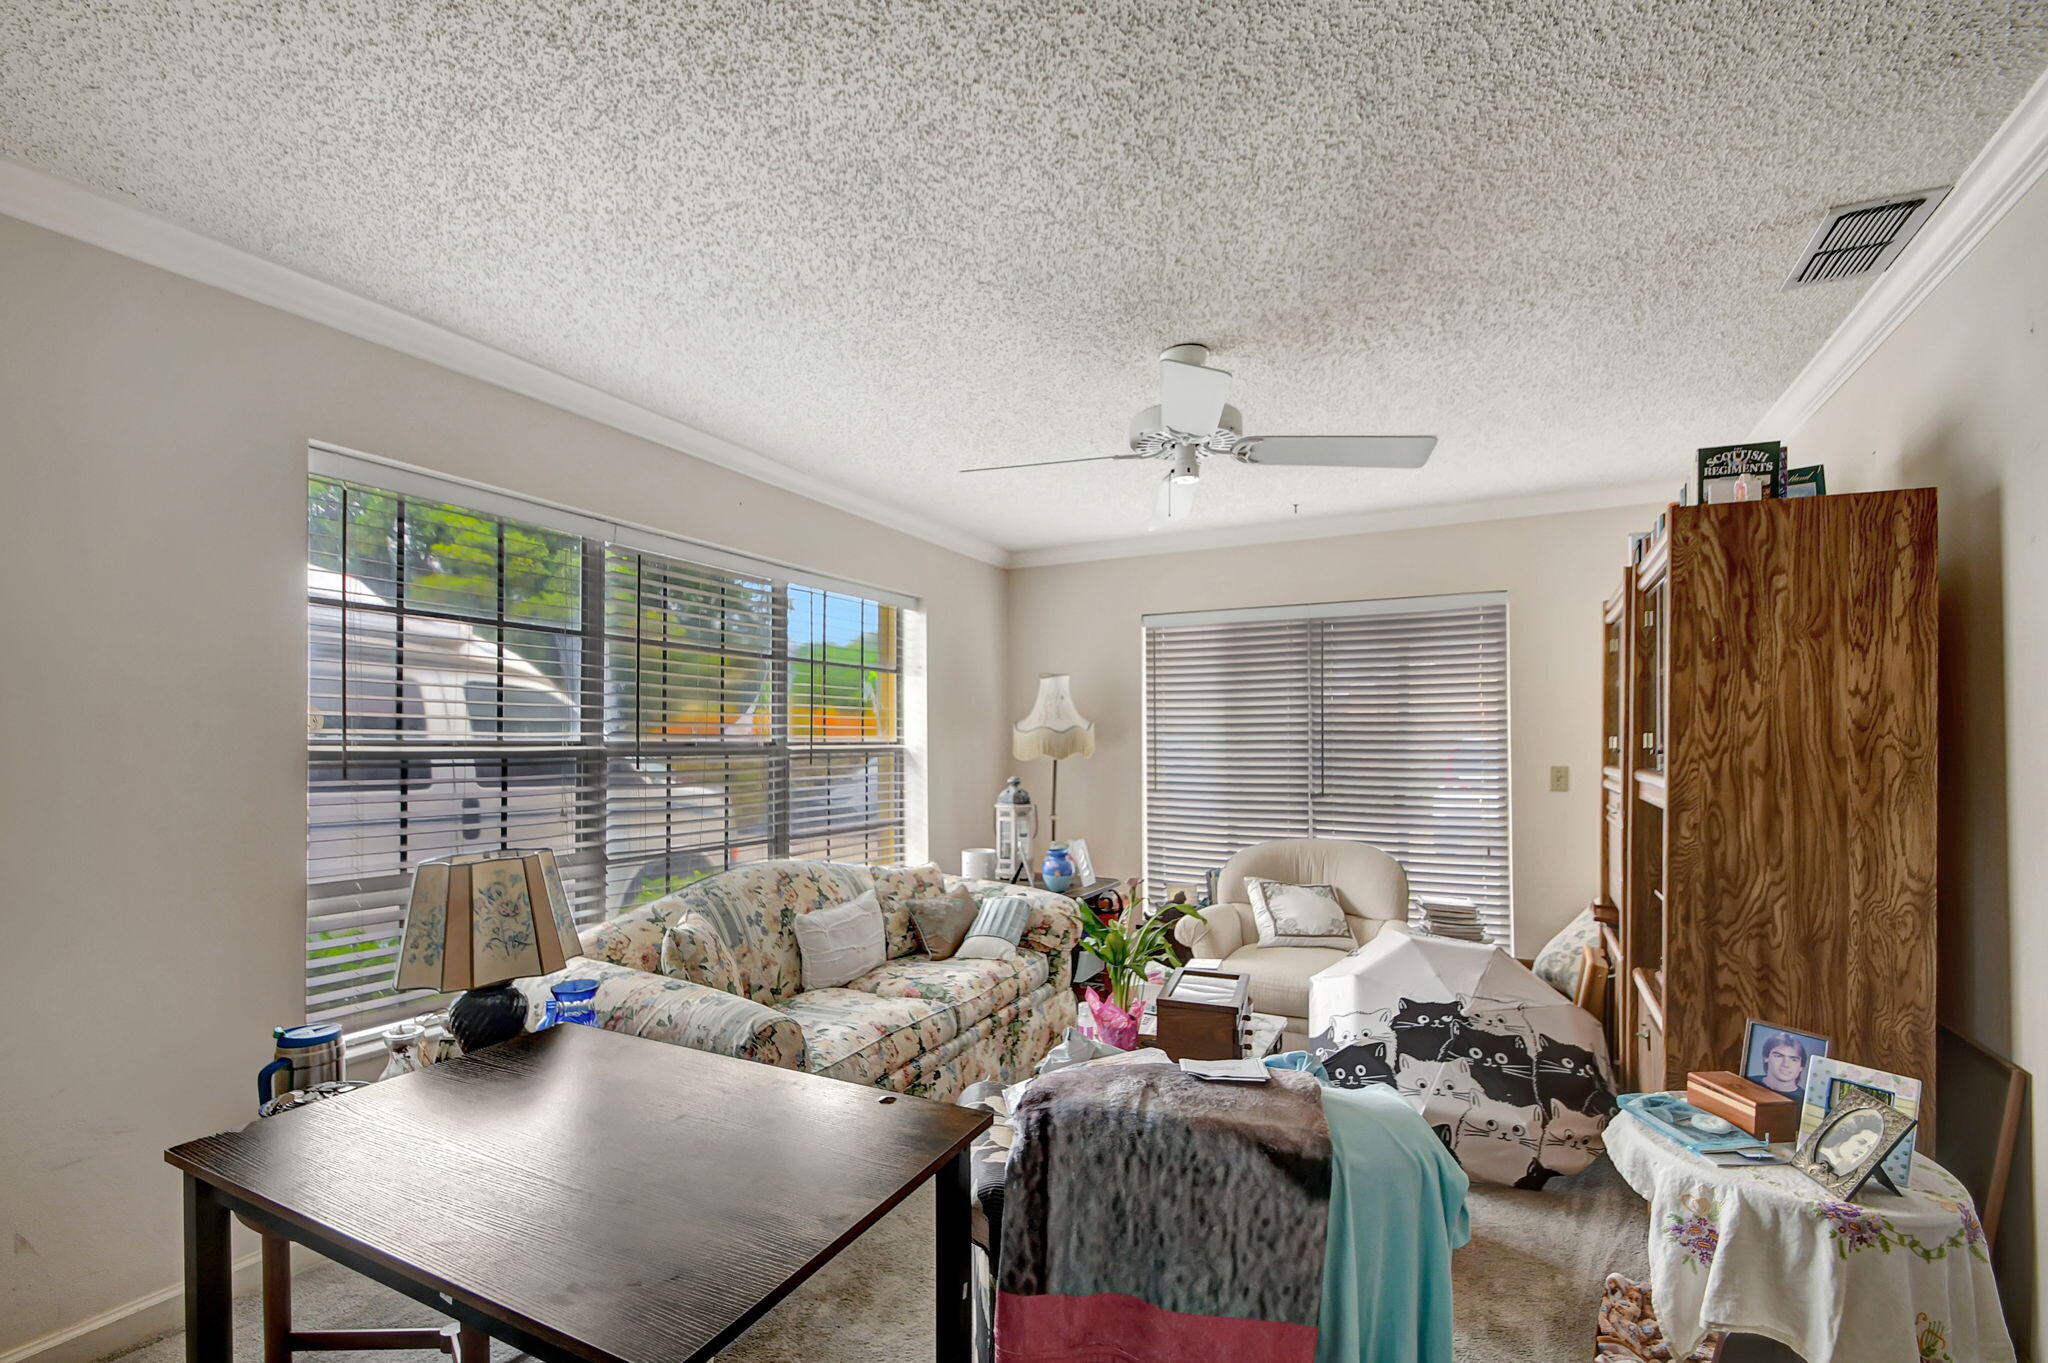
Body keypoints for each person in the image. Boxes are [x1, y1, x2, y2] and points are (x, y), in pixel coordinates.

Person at [1819, 1111, 1885, 1176]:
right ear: (1845, 1136)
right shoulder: (1821, 1155)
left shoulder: (1844, 1168)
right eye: (1861, 1142)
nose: (1863, 1150)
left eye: (1869, 1147)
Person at [1751, 1032, 1808, 1097]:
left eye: (1793, 1059)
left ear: (1801, 1067)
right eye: (1778, 1056)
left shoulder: (1806, 1101)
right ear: (1766, 1057)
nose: (1786, 1064)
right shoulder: (1748, 1082)